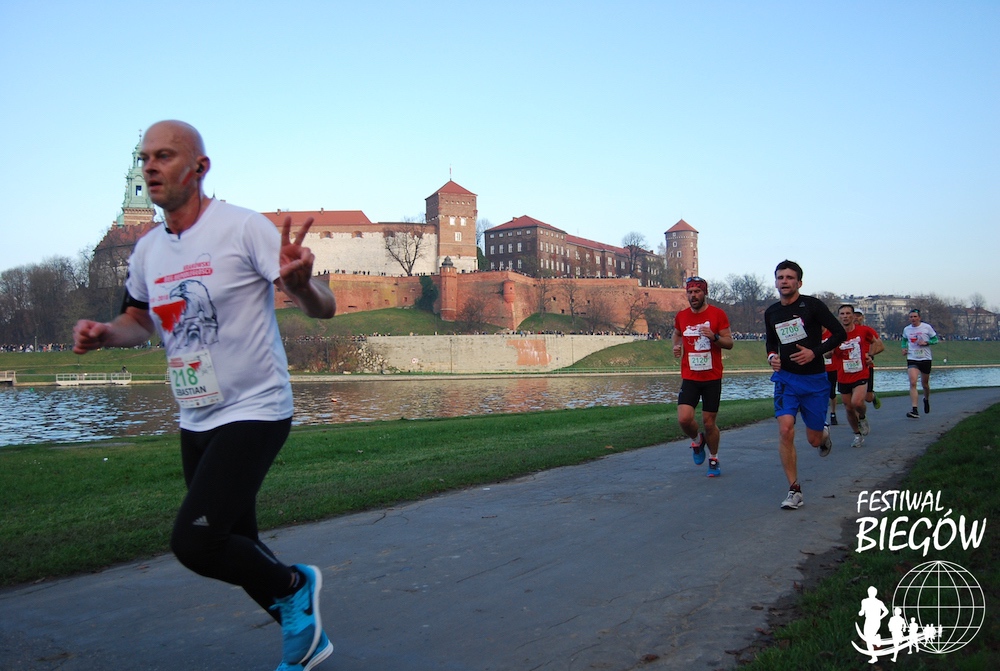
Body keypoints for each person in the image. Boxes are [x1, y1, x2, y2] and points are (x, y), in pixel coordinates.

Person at [73, 121, 337, 671]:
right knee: (238, 542)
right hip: (195, 414)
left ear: (199, 167)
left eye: (165, 155)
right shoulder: (147, 250)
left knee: (196, 542)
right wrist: (105, 334)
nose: (151, 166)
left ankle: (296, 586)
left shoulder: (242, 228)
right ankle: (306, 635)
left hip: (256, 408)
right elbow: (137, 321)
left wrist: (302, 286)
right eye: (146, 157)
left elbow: (324, 306)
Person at [764, 260, 846, 510]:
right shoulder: (772, 312)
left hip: (814, 380)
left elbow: (839, 333)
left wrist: (814, 352)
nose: (784, 281)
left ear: (799, 282)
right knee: (785, 429)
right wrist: (772, 357)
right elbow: (771, 342)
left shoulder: (812, 306)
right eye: (780, 277)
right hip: (786, 379)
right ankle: (794, 489)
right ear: (776, 282)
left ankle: (823, 433)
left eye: (790, 277)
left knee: (813, 440)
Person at [672, 276, 734, 477]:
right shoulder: (682, 316)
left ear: (704, 293)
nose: (693, 295)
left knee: (709, 423)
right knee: (684, 419)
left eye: (697, 292)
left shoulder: (717, 314)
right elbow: (677, 333)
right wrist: (677, 346)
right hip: (690, 376)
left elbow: (729, 342)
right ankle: (697, 441)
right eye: (690, 292)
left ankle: (713, 458)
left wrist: (714, 337)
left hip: (711, 377)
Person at [832, 305, 884, 448]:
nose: (845, 316)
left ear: (853, 316)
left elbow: (877, 343)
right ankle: (857, 434)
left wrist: (870, 355)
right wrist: (829, 349)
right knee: (849, 408)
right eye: (842, 313)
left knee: (857, 402)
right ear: (839, 316)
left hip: (861, 372)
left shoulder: (864, 330)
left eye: (848, 313)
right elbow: (827, 355)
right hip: (843, 375)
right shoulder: (835, 334)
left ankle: (862, 416)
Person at [902, 308, 937, 419]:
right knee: (913, 382)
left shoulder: (926, 327)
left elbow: (935, 339)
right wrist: (904, 348)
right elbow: (904, 340)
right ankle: (915, 409)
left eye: (915, 317)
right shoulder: (907, 329)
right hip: (912, 358)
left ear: (919, 318)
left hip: (925, 358)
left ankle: (926, 399)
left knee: (925, 384)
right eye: (911, 317)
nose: (913, 319)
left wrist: (926, 342)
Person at [855, 311, 881, 409]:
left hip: (866, 365)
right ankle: (859, 417)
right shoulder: (845, 331)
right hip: (851, 367)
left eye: (858, 316)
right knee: (853, 398)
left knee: (868, 398)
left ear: (862, 317)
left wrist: (870, 355)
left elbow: (880, 346)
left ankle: (873, 396)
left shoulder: (867, 330)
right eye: (854, 315)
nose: (856, 318)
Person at [821, 327, 840, 425]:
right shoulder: (813, 334)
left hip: (832, 367)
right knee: (820, 392)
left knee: (831, 392)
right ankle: (821, 415)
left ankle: (833, 413)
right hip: (819, 369)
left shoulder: (830, 334)